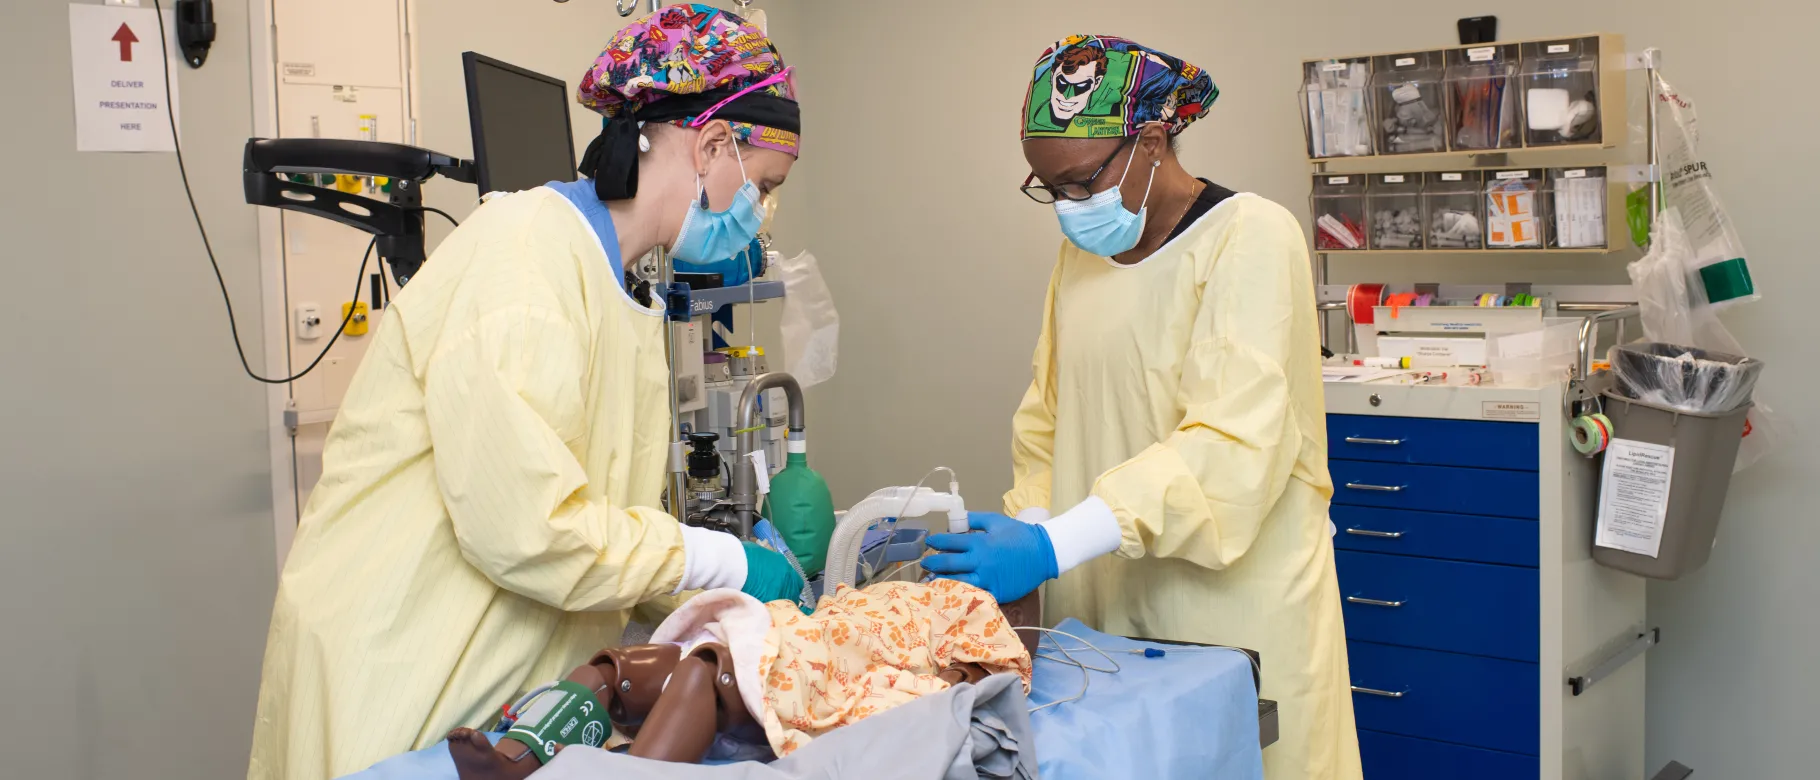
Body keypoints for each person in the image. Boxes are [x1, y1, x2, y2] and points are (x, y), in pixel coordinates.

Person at [247, 7, 808, 780]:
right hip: (400, 668)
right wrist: (724, 564)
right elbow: (529, 527)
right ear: (712, 145)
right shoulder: (524, 260)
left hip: (501, 681)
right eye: (764, 188)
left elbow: (599, 521)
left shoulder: (622, 290)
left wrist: (711, 591)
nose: (760, 217)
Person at [923, 35, 1363, 779]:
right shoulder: (1083, 257)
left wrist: (1057, 544)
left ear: (1152, 140)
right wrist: (1032, 523)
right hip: (1106, 606)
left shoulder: (1251, 237)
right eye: (1048, 187)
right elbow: (1048, 420)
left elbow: (1228, 448)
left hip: (1233, 616)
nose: (1066, 206)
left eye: (1078, 181)